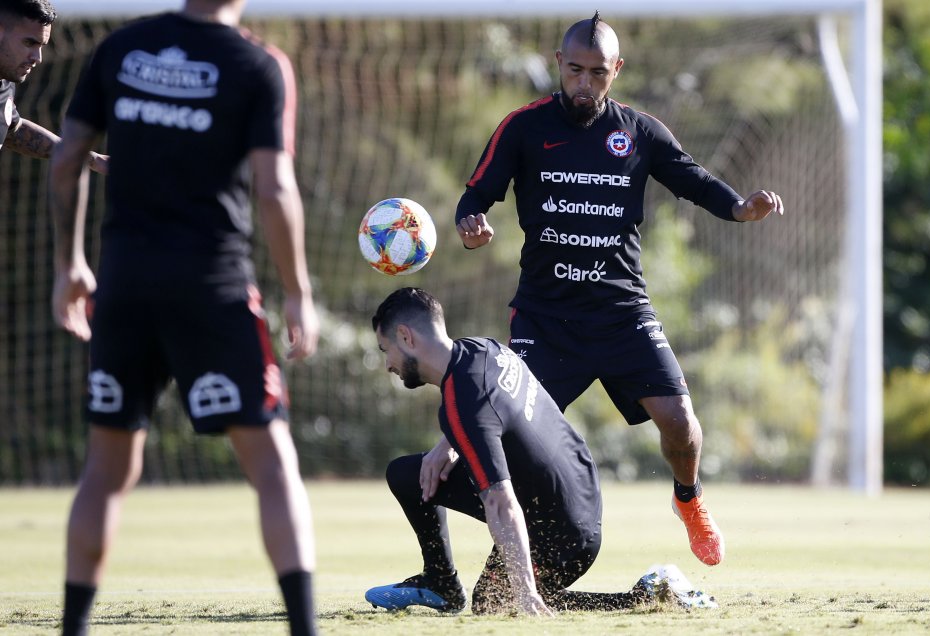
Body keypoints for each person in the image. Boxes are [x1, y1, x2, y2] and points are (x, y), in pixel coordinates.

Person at [455, 11, 785, 568]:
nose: (584, 83)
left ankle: (689, 500)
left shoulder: (639, 131)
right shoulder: (523, 127)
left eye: (598, 73)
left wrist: (738, 207)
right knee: (515, 439)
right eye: (575, 70)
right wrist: (470, 225)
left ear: (617, 70)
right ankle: (508, 562)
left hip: (622, 313)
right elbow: (476, 194)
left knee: (680, 422)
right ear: (558, 64)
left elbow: (693, 179)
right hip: (545, 319)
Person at [49, 1, 318, 634]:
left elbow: (66, 158)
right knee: (273, 467)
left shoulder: (122, 47)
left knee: (106, 471)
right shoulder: (259, 64)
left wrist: (70, 263)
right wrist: (297, 290)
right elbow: (275, 187)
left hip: (123, 287)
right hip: (212, 289)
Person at [365, 286, 664, 616]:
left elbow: (500, 501)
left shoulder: (465, 404)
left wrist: (524, 591)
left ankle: (646, 596)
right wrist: (449, 444)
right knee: (406, 475)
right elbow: (493, 410)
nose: (388, 364)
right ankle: (440, 582)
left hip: (565, 535)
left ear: (405, 337)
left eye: (386, 350)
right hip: (577, 492)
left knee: (491, 603)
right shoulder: (484, 348)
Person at [0, 0, 106, 172]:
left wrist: (92, 159)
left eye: (41, 46)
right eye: (29, 43)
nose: (37, 58)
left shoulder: (4, 81)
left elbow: (12, 130)